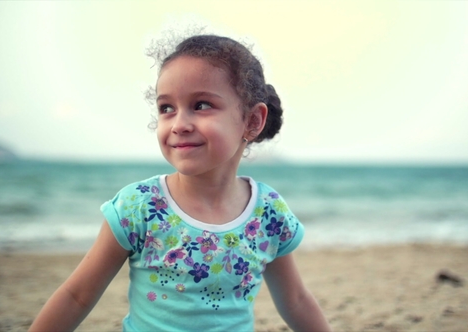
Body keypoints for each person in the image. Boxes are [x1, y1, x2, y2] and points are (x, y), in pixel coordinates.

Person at [29, 34, 331, 332]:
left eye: (201, 105)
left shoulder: (268, 213)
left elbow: (295, 300)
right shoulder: (140, 207)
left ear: (252, 121)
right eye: (166, 108)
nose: (179, 124)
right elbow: (77, 296)